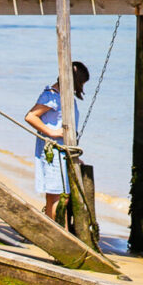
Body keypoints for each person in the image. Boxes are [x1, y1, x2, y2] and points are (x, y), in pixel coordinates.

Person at [24, 62, 89, 224]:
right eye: (81, 83)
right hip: (52, 152)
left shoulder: (64, 97)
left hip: (61, 152)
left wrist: (73, 155)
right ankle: (61, 232)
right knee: (59, 197)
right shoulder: (52, 96)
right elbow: (30, 116)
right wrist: (52, 132)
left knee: (56, 196)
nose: (80, 88)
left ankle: (51, 229)